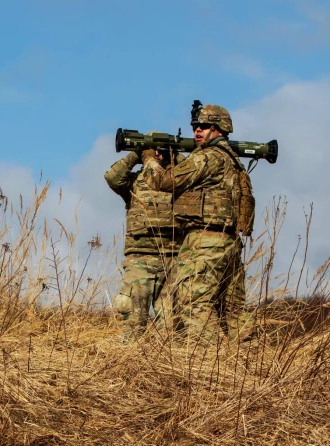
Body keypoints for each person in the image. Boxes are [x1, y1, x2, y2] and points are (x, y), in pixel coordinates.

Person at [141, 105, 255, 344]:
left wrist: (148, 157)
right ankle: (248, 359)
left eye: (204, 127)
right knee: (234, 309)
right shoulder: (232, 160)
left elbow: (164, 181)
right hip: (229, 242)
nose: (197, 131)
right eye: (195, 127)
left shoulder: (207, 156)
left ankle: (206, 362)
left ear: (219, 129)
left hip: (206, 242)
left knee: (193, 300)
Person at [105, 141, 184, 337]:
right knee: (131, 319)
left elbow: (197, 175)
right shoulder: (135, 181)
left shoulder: (178, 179)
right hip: (140, 258)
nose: (158, 153)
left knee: (174, 323)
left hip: (174, 257)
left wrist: (177, 156)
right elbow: (113, 178)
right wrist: (136, 154)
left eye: (161, 149)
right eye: (154, 149)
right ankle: (130, 363)